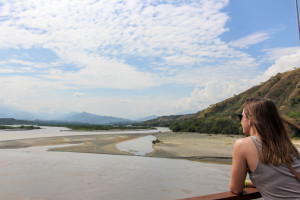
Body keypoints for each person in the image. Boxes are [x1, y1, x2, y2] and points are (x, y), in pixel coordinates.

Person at [229, 98, 300, 199]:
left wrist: (244, 183)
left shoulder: (242, 144)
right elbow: (281, 179)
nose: (240, 120)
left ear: (250, 120)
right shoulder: (286, 145)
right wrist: (252, 183)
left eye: (241, 116)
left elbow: (236, 189)